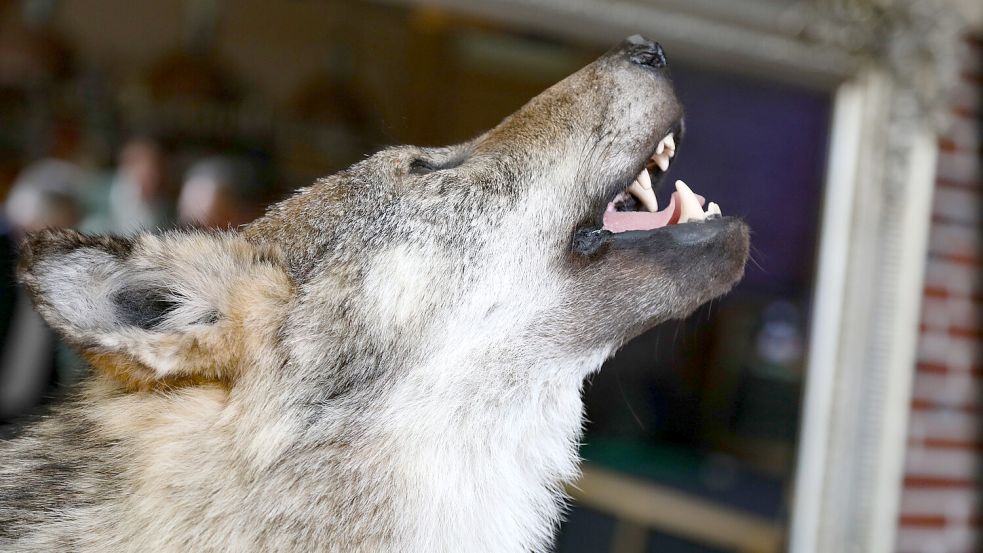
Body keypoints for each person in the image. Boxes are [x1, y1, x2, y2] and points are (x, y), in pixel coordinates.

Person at [0, 160, 84, 422]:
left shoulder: (49, 269)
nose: (69, 244)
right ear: (32, 221)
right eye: (63, 232)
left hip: (24, 415)